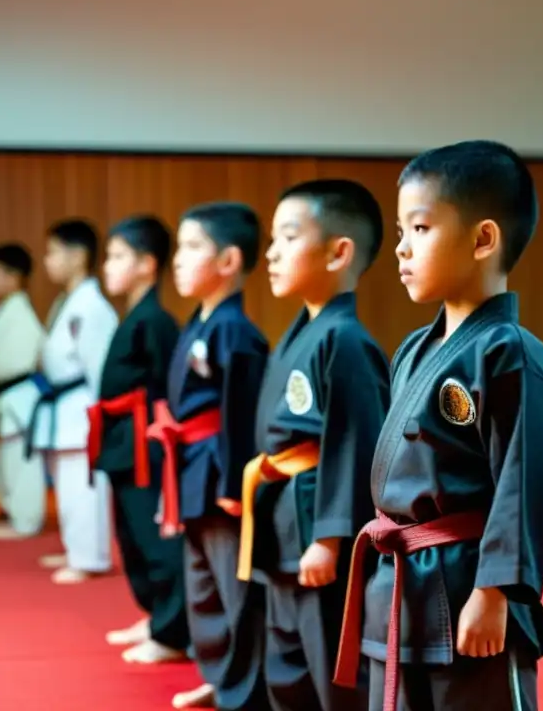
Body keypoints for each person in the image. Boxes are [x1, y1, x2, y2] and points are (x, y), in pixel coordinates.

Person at [333, 141, 543, 711]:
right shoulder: (414, 349)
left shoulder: (512, 353)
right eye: (399, 232)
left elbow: (524, 485)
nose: (401, 250)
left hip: (468, 586)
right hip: (399, 585)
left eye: (419, 229)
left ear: (483, 238)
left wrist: (495, 593)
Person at [238, 179, 390, 710]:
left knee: (329, 668)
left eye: (287, 236)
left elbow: (353, 444)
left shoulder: (345, 339)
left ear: (338, 252)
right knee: (286, 663)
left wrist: (331, 538)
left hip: (315, 533)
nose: (272, 253)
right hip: (283, 520)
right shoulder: (303, 329)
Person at [147, 201, 270, 711]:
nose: (178, 259)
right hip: (191, 467)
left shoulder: (235, 332)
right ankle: (219, 677)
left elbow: (241, 418)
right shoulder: (197, 324)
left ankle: (246, 689)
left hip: (219, 473)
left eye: (193, 247)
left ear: (229, 261)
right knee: (203, 589)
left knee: (233, 589)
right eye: (179, 248)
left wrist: (232, 491)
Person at [90, 215, 190, 664]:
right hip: (120, 438)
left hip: (145, 443)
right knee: (130, 537)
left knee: (155, 540)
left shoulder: (157, 321)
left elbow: (170, 387)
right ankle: (154, 616)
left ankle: (171, 632)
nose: (107, 267)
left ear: (148, 264)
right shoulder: (135, 316)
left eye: (116, 257)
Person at [21, 219, 119, 583]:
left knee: (84, 485)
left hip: (83, 405)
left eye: (53, 252)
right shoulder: (68, 302)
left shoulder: (92, 306)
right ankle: (75, 547)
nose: (47, 260)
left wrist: (100, 419)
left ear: (78, 256)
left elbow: (99, 369)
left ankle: (91, 557)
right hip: (63, 404)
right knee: (67, 485)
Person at [0, 242, 46, 540]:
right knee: (1, 459)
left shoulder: (21, 314)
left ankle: (26, 519)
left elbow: (12, 363)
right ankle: (10, 509)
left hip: (16, 394)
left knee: (18, 460)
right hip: (1, 394)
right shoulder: (6, 310)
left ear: (13, 276)